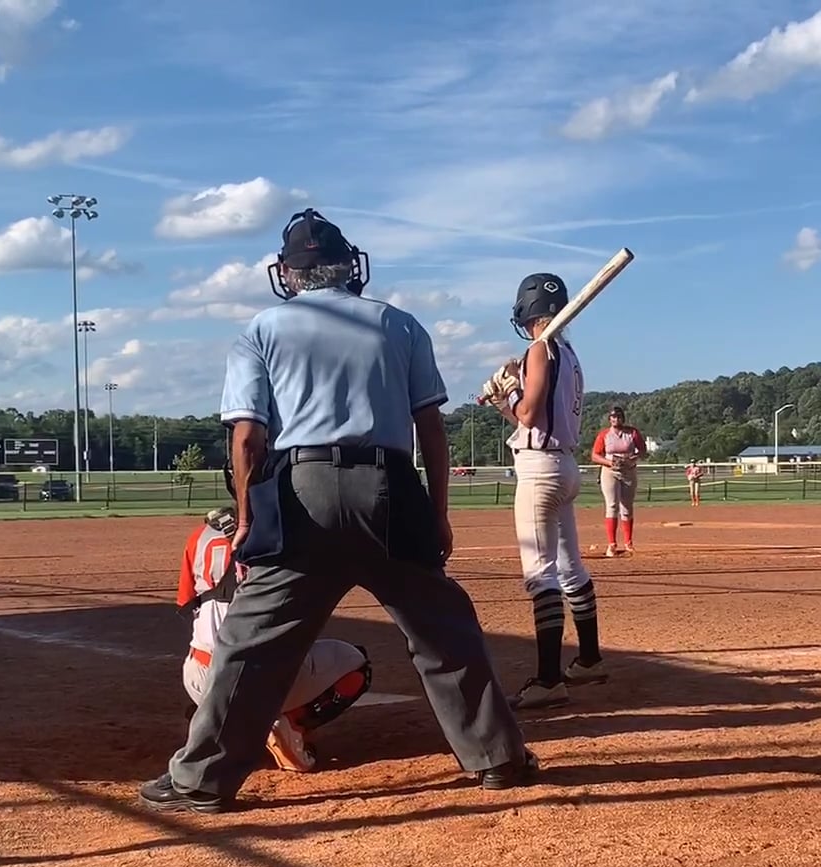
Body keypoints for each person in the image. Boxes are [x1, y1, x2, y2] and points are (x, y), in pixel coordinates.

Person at [139, 208, 538, 813]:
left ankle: (201, 779)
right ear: (350, 266)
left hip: (302, 490)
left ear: (288, 273)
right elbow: (431, 431)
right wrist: (438, 512)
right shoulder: (399, 324)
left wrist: (247, 517)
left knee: (254, 640)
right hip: (389, 488)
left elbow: (247, 439)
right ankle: (498, 759)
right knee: (444, 629)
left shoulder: (262, 329)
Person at [480, 272, 607, 710]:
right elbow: (527, 415)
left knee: (541, 573)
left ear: (525, 310)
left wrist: (512, 390)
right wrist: (505, 400)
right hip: (565, 464)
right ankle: (588, 659)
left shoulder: (539, 349)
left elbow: (530, 414)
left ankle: (549, 679)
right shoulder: (568, 353)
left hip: (540, 469)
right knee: (571, 568)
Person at [176, 507, 374, 771]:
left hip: (200, 676)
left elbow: (187, 605)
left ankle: (217, 723)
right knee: (358, 664)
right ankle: (290, 723)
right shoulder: (289, 531)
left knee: (216, 660)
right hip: (264, 677)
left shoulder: (200, 536)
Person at [590, 405, 646, 556]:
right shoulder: (604, 435)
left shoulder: (632, 433)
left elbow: (642, 450)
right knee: (612, 505)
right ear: (610, 419)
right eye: (613, 417)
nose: (616, 419)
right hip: (610, 471)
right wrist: (609, 462)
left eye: (619, 416)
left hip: (628, 471)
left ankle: (628, 542)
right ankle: (612, 544)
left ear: (623, 418)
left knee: (627, 507)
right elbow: (595, 455)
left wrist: (634, 457)